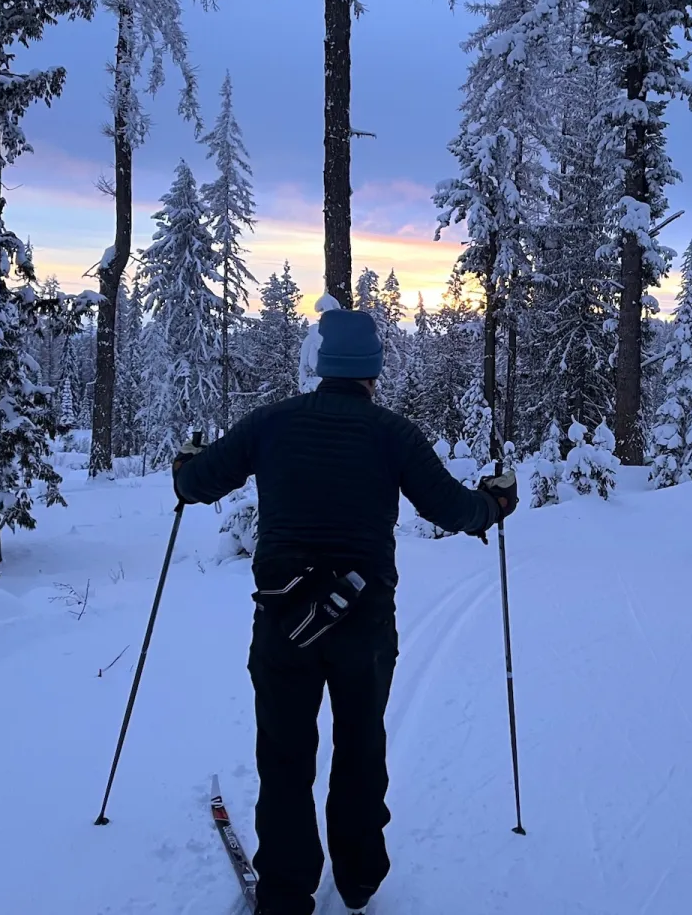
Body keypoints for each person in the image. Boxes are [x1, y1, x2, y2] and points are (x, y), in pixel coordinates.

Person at [171, 309, 518, 915]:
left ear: (320, 364)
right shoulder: (394, 434)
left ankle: (284, 890)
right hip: (365, 623)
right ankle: (358, 878)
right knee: (361, 746)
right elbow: (453, 510)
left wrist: (186, 464)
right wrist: (494, 504)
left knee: (284, 754)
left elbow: (195, 484)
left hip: (285, 622)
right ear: (373, 371)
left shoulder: (271, 423)